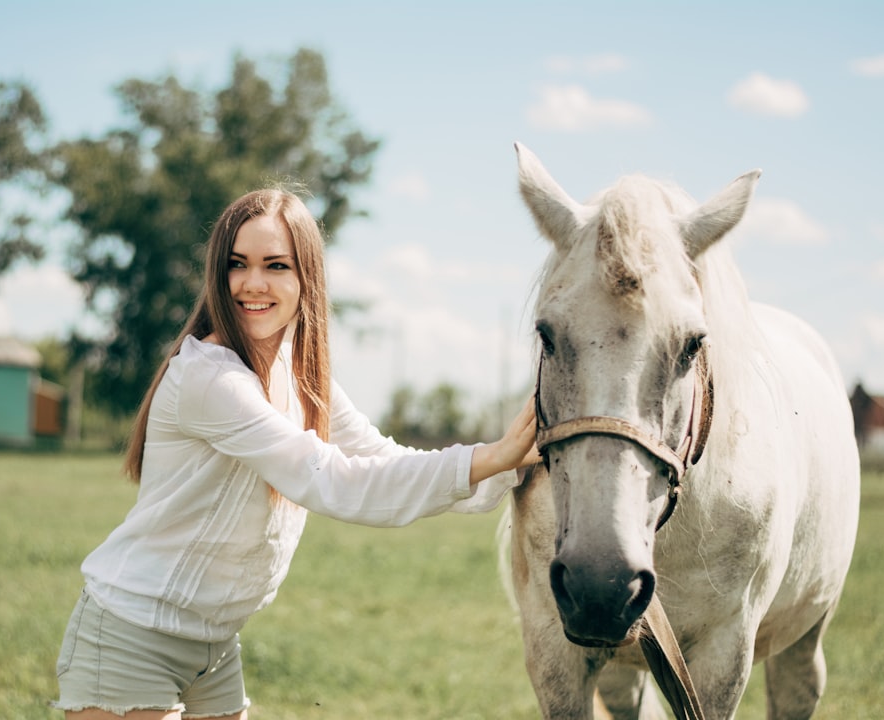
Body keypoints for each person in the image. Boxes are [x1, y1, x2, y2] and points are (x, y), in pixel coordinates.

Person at [52, 187, 540, 720]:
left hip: (213, 646)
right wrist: (492, 456)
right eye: (237, 265)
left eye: (275, 265)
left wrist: (508, 466)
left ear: (306, 276)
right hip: (132, 636)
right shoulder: (209, 377)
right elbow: (331, 480)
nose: (252, 283)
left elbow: (381, 458)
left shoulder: (305, 375)